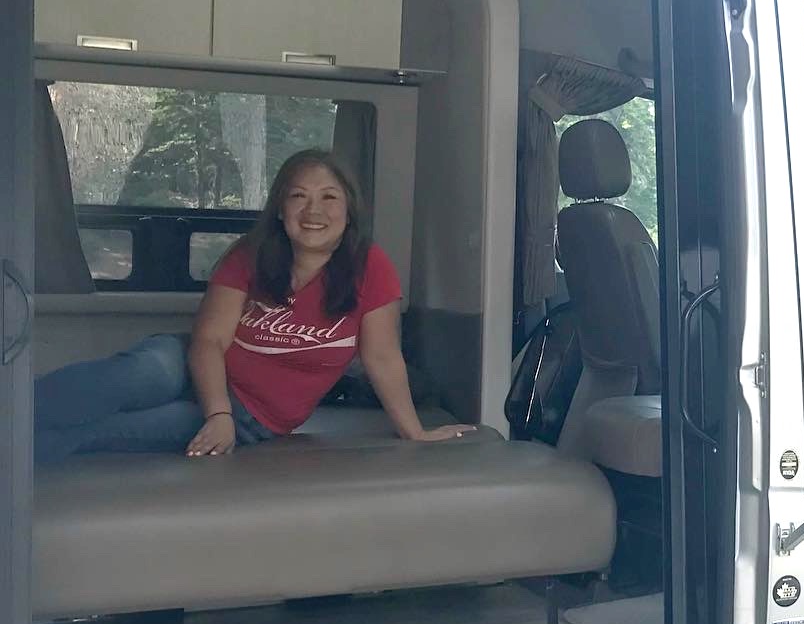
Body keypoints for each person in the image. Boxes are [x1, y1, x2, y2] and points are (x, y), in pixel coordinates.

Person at [35, 148, 475, 464]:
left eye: (329, 196)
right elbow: (210, 340)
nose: (313, 210)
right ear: (281, 209)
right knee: (132, 375)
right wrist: (217, 411)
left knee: (98, 432)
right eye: (298, 196)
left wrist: (414, 432)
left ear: (349, 210)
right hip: (193, 364)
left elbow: (382, 357)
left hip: (252, 416)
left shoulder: (371, 267)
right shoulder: (250, 254)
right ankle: (12, 408)